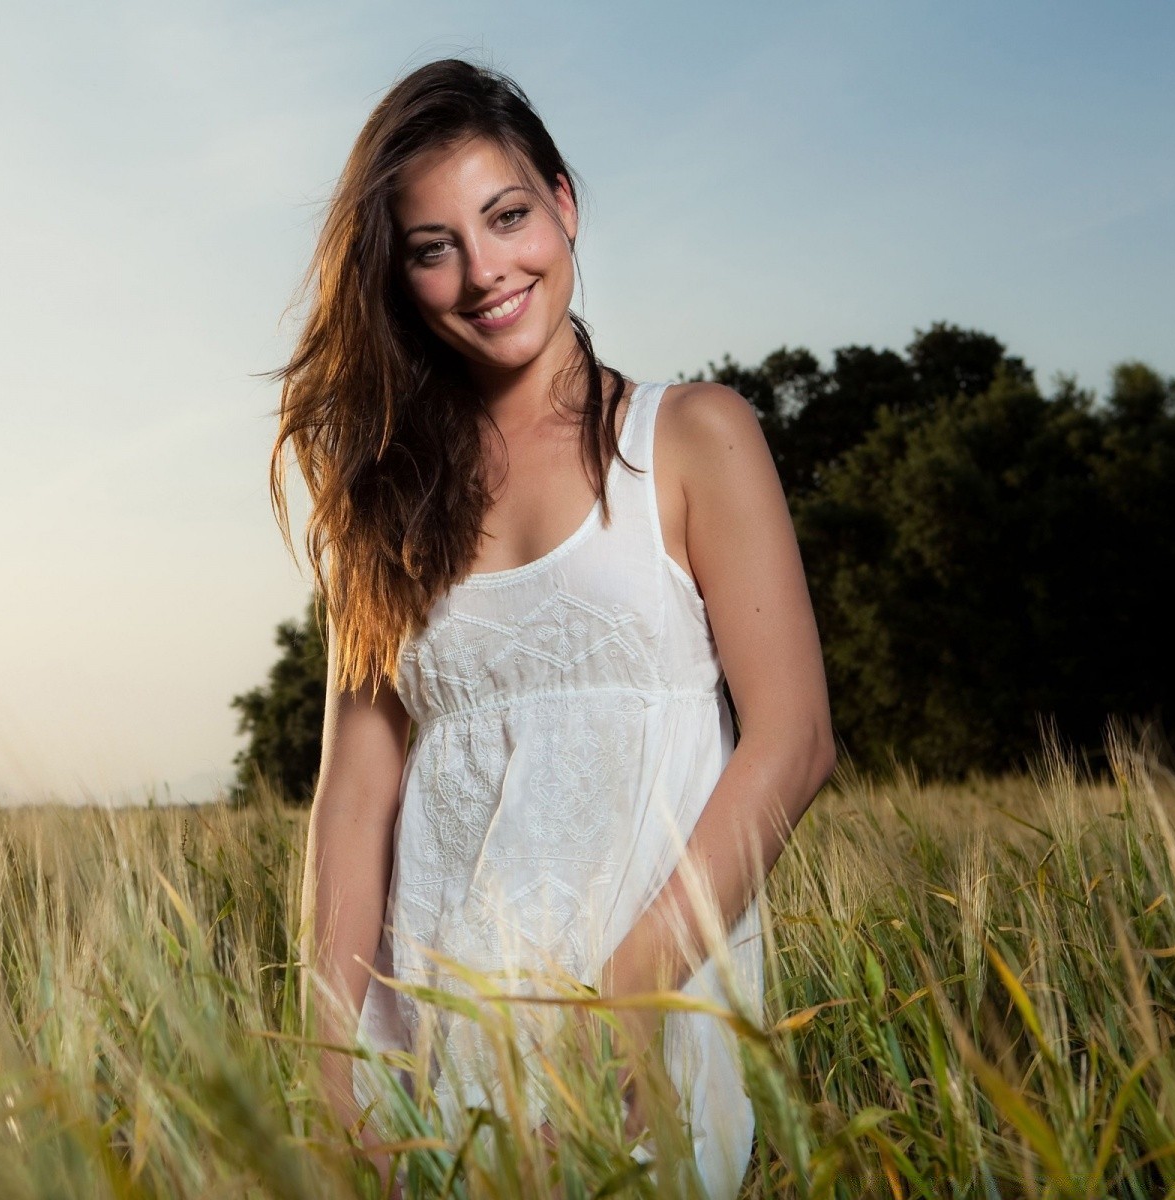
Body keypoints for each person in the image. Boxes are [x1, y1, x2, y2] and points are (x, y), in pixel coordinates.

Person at [268, 59, 835, 1198]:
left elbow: (794, 739)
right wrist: (332, 1069)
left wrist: (629, 998)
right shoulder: (379, 502)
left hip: (646, 1002)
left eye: (508, 216)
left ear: (564, 204)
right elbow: (357, 798)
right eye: (435, 246)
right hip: (435, 1017)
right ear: (401, 274)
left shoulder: (692, 437)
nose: (486, 273)